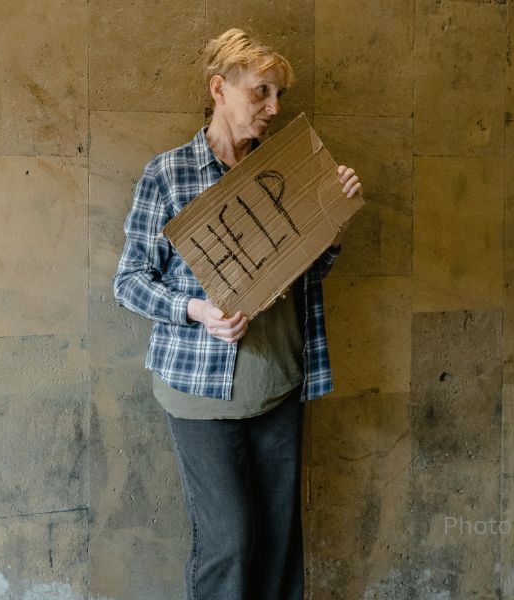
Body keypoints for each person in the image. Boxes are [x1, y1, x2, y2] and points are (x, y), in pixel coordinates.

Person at [112, 28, 361, 600]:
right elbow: (128, 283)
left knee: (278, 541)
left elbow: (301, 281)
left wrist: (333, 220)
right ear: (219, 88)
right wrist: (195, 309)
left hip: (277, 381)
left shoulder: (285, 171)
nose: (274, 108)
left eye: (279, 96)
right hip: (199, 393)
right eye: (262, 93)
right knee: (230, 541)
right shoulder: (169, 174)